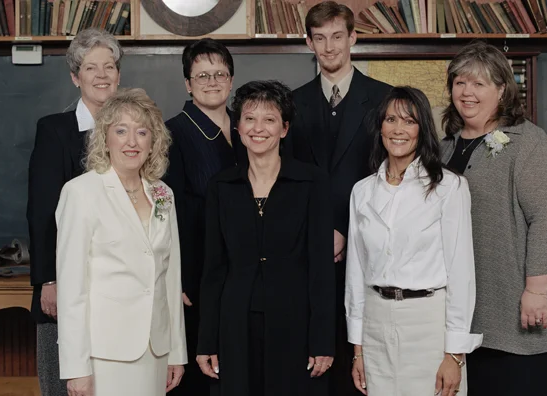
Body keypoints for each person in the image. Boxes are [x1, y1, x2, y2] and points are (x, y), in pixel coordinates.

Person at [440, 41, 547, 396]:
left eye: (479, 84)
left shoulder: (529, 144)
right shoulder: (444, 147)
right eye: (460, 82)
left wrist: (536, 290)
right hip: (461, 316)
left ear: (502, 90)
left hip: (514, 314)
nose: (467, 92)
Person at [196, 80, 335, 396]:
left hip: (295, 322)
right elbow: (214, 271)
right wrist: (207, 341)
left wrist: (323, 340)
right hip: (234, 324)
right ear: (239, 127)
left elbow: (322, 270)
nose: (258, 128)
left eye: (269, 119)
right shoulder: (221, 186)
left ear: (284, 129)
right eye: (249, 118)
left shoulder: (312, 182)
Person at [283, 2, 392, 394]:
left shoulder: (384, 101)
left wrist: (346, 229)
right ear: (309, 42)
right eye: (320, 39)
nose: (329, 47)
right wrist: (318, 232)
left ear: (353, 38)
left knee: (361, 363)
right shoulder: (291, 104)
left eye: (337, 37)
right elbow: (286, 182)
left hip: (369, 249)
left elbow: (389, 179)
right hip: (307, 252)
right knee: (313, 362)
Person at [345, 86, 482, 396]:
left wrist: (454, 355)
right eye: (391, 119)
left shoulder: (449, 188)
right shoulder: (362, 192)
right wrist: (359, 350)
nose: (398, 129)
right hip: (376, 326)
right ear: (379, 126)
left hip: (429, 327)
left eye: (409, 121)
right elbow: (356, 274)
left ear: (423, 130)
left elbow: (462, 275)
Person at [55, 88, 187, 396]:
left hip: (155, 351)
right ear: (105, 137)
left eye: (142, 132)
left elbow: (170, 278)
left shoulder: (163, 194)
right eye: (121, 131)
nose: (132, 141)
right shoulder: (80, 193)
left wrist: (176, 352)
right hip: (103, 354)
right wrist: (76, 368)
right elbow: (72, 288)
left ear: (153, 141)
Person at [26, 27, 123, 396]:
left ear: (118, 74)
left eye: (109, 66)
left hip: (117, 284)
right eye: (90, 68)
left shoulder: (135, 131)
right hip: (65, 283)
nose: (101, 75)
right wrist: (48, 281)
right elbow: (41, 210)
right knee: (64, 386)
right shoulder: (54, 130)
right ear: (74, 76)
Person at [163, 38, 244, 396]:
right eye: (202, 75)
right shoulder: (174, 132)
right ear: (187, 84)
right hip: (195, 270)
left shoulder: (248, 127)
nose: (212, 82)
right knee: (200, 371)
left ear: (231, 80)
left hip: (243, 266)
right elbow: (166, 211)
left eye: (220, 74)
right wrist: (175, 275)